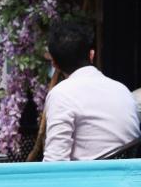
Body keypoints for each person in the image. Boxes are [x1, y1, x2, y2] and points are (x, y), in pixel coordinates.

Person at [43, 20, 140, 161]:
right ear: (91, 55)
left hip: (89, 180)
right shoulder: (122, 90)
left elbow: (55, 162)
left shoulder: (62, 94)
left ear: (55, 64)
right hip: (130, 179)